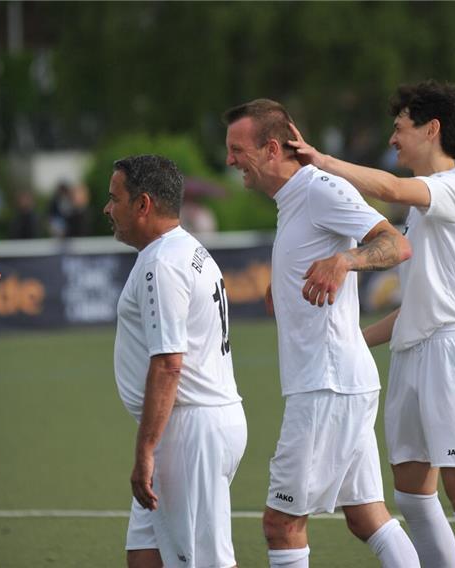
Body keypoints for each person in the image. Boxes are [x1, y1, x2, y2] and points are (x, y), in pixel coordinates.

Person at [290, 80, 455, 567]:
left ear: (431, 129)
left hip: (453, 354)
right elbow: (419, 306)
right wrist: (356, 342)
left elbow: (387, 187)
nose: (392, 139)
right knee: (410, 493)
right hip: (413, 350)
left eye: (399, 128)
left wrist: (321, 160)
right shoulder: (423, 206)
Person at [224, 99, 419, 568]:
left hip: (326, 385)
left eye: (237, 149)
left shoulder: (318, 189)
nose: (230, 161)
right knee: (366, 516)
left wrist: (345, 261)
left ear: (272, 148)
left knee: (282, 523)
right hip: (335, 382)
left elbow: (395, 242)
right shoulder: (293, 199)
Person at [106, 155, 247, 568]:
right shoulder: (184, 249)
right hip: (198, 422)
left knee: (205, 561)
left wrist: (146, 449)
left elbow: (168, 362)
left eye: (114, 199)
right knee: (145, 556)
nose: (107, 209)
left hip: (188, 430)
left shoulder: (162, 263)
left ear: (143, 204)